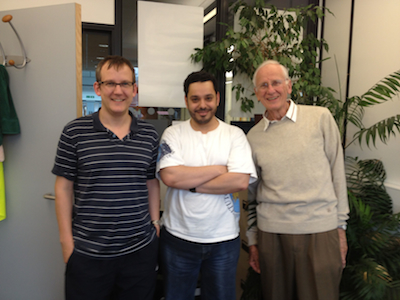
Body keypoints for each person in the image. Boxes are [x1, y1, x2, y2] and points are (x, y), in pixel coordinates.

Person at [52, 55, 160, 300]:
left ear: (135, 89)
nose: (118, 91)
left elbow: (151, 181)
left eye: (125, 84)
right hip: (88, 255)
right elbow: (63, 189)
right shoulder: (74, 132)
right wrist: (67, 244)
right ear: (98, 88)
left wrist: (155, 224)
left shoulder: (149, 134)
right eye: (110, 83)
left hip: (139, 252)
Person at [246, 60, 349, 300]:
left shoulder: (320, 118)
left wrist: (340, 230)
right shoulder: (253, 137)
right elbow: (252, 195)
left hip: (320, 231)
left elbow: (338, 175)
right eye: (263, 85)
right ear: (257, 93)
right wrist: (253, 240)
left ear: (289, 86)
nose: (271, 90)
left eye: (276, 83)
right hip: (271, 234)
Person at [157, 70, 257, 300]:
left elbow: (240, 180)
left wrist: (190, 183)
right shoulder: (173, 134)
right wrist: (219, 169)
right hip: (178, 238)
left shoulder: (234, 135)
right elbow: (171, 177)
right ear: (186, 101)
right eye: (195, 99)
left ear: (218, 98)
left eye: (208, 98)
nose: (202, 105)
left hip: (223, 240)